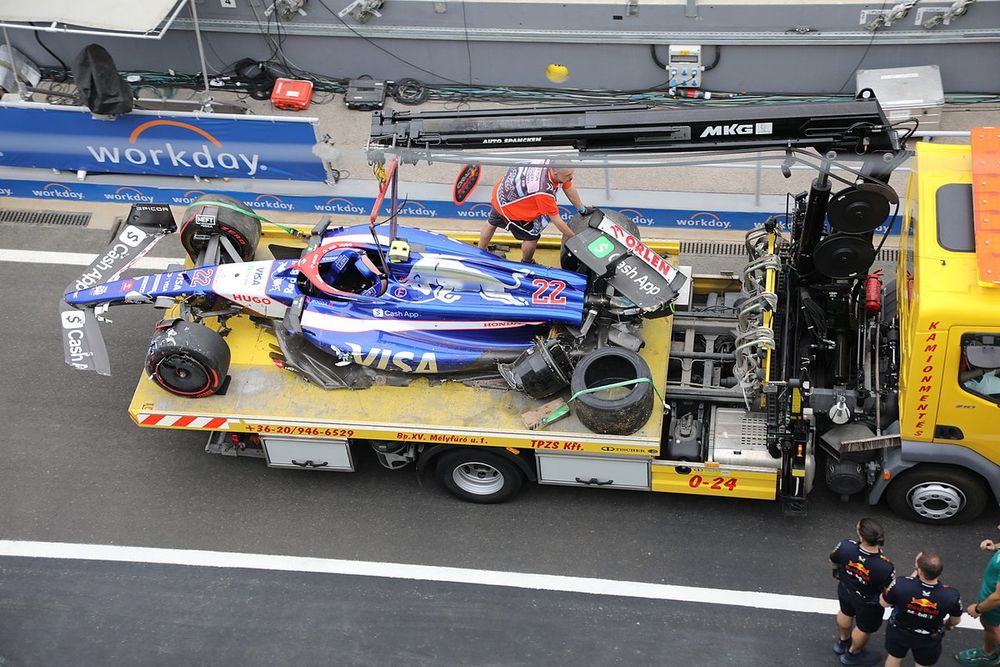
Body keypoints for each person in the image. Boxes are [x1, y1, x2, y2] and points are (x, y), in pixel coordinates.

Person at [477, 165, 593, 264]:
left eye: (571, 173)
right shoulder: (544, 192)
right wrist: (576, 239)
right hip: (510, 206)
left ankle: (480, 253)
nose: (571, 177)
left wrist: (582, 209)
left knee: (492, 222)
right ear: (555, 173)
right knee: (532, 237)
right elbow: (557, 220)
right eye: (568, 175)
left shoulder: (550, 165)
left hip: (502, 191)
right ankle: (527, 263)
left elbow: (568, 186)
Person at [831, 518, 896, 665]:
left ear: (861, 536)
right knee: (863, 628)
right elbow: (889, 591)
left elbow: (833, 560)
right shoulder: (885, 566)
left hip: (845, 589)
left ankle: (843, 642)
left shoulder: (845, 546)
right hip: (868, 601)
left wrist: (836, 572)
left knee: (845, 612)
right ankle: (853, 654)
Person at [880, 551, 962, 667]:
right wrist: (948, 625)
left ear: (919, 571)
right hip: (928, 638)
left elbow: (884, 603)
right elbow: (955, 620)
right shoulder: (951, 595)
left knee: (894, 658)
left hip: (898, 631)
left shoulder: (900, 584)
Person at [955, 524, 1000, 667]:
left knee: (991, 626)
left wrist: (978, 609)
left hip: (994, 605)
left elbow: (998, 597)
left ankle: (989, 654)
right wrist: (996, 547)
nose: (998, 527)